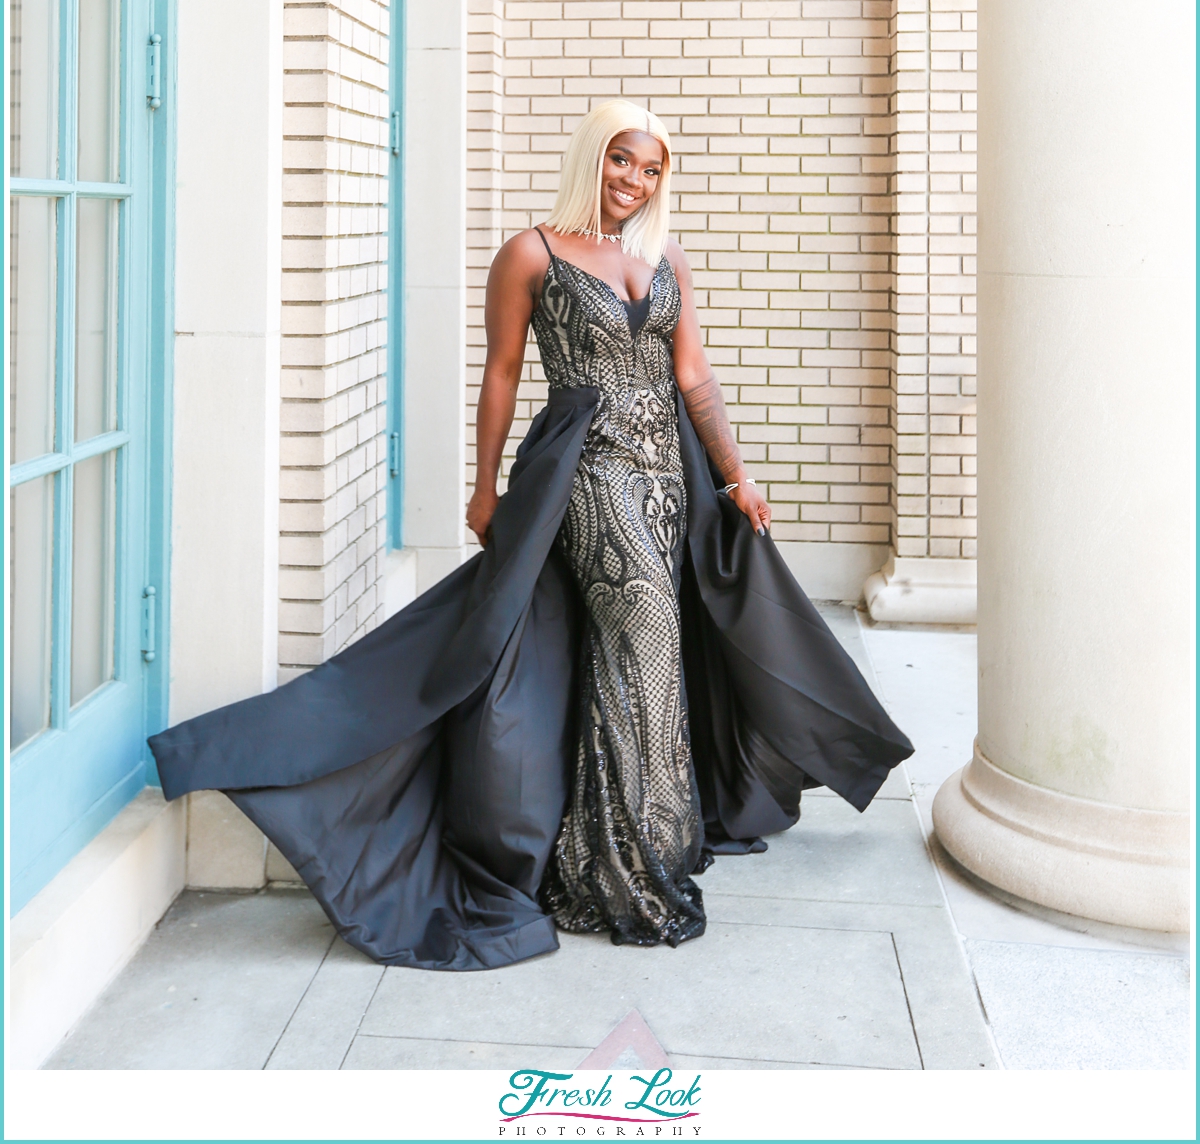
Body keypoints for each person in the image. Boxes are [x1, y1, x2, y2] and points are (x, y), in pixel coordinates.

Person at [150, 101, 912, 970]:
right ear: (595, 156)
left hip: (673, 478)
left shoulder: (663, 257)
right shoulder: (531, 253)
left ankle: (638, 835)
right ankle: (627, 866)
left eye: (653, 168)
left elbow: (692, 371)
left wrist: (737, 476)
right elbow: (503, 375)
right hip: (590, 476)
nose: (636, 180)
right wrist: (483, 488)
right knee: (645, 642)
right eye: (624, 160)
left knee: (649, 655)